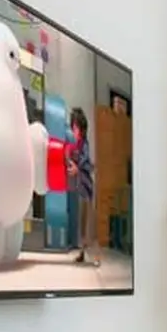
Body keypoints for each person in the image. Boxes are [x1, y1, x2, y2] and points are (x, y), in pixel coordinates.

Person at [65, 107, 97, 267]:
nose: (74, 131)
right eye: (73, 128)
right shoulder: (76, 144)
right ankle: (82, 254)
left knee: (88, 223)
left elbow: (85, 162)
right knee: (82, 223)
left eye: (76, 128)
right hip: (81, 188)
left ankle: (95, 256)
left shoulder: (84, 143)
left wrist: (78, 168)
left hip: (86, 188)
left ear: (82, 129)